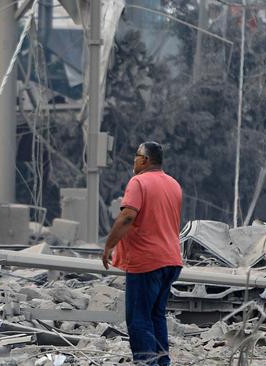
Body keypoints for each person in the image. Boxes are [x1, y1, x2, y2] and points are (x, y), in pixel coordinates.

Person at [102, 141, 183, 366]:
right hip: (171, 260)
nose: (134, 160)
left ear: (145, 160)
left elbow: (128, 215)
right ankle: (161, 362)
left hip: (147, 261)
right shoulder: (174, 184)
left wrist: (109, 245)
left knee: (138, 319)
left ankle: (147, 363)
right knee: (156, 315)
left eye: (136, 156)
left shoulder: (138, 182)